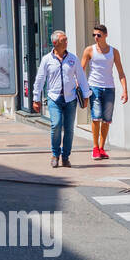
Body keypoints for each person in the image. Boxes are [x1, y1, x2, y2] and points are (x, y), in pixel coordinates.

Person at [33, 30, 90, 169]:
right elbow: (40, 79)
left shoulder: (73, 58)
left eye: (66, 39)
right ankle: (55, 154)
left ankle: (65, 157)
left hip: (70, 98)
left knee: (69, 129)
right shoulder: (47, 59)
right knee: (56, 124)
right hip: (54, 98)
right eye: (63, 40)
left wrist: (86, 95)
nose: (66, 42)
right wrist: (36, 98)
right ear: (55, 43)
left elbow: (81, 77)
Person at [81, 23, 128, 160]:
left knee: (107, 120)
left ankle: (102, 148)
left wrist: (125, 90)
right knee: (96, 117)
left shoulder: (114, 52)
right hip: (94, 87)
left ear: (105, 35)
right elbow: (81, 69)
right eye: (94, 35)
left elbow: (121, 72)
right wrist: (82, 87)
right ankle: (95, 148)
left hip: (109, 88)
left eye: (99, 35)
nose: (96, 37)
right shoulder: (89, 50)